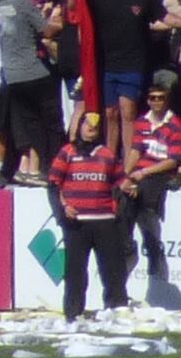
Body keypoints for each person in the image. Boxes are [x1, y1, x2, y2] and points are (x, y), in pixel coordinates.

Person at [45, 120, 135, 323]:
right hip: (77, 222)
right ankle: (73, 313)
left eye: (94, 128)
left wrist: (130, 187)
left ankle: (116, 309)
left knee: (113, 269)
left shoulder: (107, 154)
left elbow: (122, 181)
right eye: (87, 126)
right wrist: (62, 208)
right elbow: (53, 184)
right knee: (75, 271)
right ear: (80, 127)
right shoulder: (67, 152)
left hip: (105, 220)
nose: (90, 130)